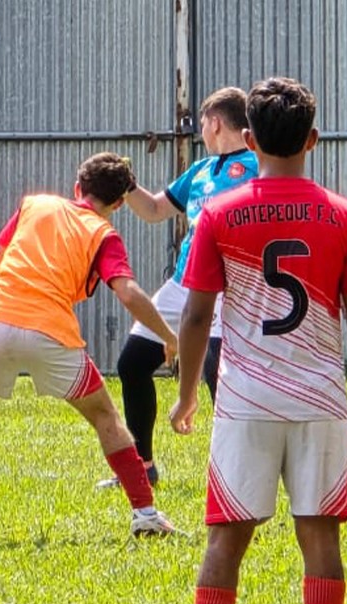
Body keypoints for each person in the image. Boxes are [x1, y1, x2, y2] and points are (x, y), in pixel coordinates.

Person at [170, 77, 347, 604]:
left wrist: (185, 394)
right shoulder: (346, 217)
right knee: (320, 531)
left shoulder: (218, 213)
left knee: (225, 536)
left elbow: (196, 315)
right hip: (317, 399)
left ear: (250, 138)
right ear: (313, 140)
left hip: (245, 402)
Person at [0, 152, 179, 540]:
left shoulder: (35, 205)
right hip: (52, 331)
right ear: (118, 205)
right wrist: (168, 337)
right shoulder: (103, 234)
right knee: (107, 419)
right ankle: (145, 514)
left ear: (77, 187)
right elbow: (128, 292)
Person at [98, 87, 258, 490]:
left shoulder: (257, 165)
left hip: (228, 286)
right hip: (183, 281)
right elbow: (154, 210)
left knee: (217, 377)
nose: (201, 128)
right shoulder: (201, 170)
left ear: (215, 122)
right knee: (133, 363)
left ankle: (239, 476)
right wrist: (125, 182)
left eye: (202, 122)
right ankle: (143, 467)